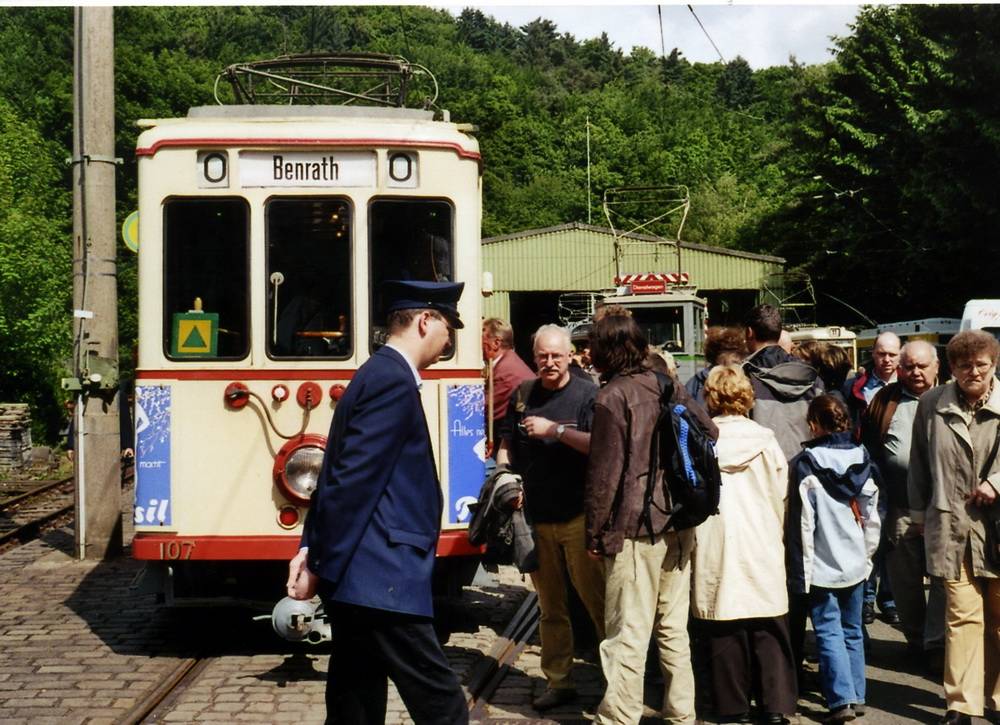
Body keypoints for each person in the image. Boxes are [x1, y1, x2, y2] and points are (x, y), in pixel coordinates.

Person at [286, 279, 468, 725]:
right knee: (442, 704)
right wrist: (317, 560)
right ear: (426, 321)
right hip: (381, 578)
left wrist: (312, 549)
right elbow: (351, 484)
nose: (450, 339)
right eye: (449, 327)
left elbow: (336, 473)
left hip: (361, 576)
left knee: (356, 701)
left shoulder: (376, 373)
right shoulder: (391, 382)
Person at [584, 313, 717, 725]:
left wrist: (594, 534)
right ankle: (681, 714)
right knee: (673, 631)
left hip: (636, 531)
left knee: (627, 634)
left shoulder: (612, 398)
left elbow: (604, 478)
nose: (588, 353)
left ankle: (619, 719)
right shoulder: (665, 384)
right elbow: (709, 431)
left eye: (594, 345)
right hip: (679, 523)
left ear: (609, 351)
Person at [497, 324, 605, 711]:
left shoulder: (588, 394)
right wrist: (504, 475)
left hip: (578, 515)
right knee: (551, 608)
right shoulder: (524, 394)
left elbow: (600, 447)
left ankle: (617, 681)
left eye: (557, 355)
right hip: (537, 517)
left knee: (598, 604)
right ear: (534, 356)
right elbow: (507, 442)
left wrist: (556, 431)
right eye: (542, 356)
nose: (549, 362)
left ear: (570, 354)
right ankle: (559, 682)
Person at [691, 365, 797, 724]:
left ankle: (731, 707)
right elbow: (781, 492)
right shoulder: (766, 440)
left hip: (716, 542)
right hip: (761, 540)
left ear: (710, 397)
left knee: (725, 626)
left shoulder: (703, 441)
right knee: (768, 627)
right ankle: (776, 705)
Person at [909, 330, 1000, 725]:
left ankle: (997, 698)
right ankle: (961, 704)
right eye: (965, 365)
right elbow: (918, 463)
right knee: (962, 616)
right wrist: (917, 514)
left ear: (994, 364)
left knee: (999, 620)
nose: (973, 372)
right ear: (951, 368)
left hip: (997, 528)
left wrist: (997, 482)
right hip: (951, 524)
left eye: (981, 364)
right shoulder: (931, 403)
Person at [787, 395, 881, 723]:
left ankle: (839, 700)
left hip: (821, 565)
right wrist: (867, 556)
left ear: (814, 424)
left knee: (828, 629)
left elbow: (803, 524)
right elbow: (872, 515)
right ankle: (857, 694)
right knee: (852, 628)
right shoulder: (863, 459)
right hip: (855, 561)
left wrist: (802, 569)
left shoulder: (805, 464)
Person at [861, 340, 944, 663]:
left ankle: (938, 647)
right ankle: (917, 641)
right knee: (904, 582)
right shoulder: (886, 400)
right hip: (900, 506)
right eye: (908, 366)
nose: (915, 372)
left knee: (942, 581)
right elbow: (869, 446)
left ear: (937, 366)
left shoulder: (949, 399)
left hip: (942, 509)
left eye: (922, 366)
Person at [742, 305, 824, 460]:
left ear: (749, 332)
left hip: (765, 468)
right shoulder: (812, 378)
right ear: (779, 333)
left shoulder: (744, 377)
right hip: (806, 468)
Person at [482, 317, 534, 448]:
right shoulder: (508, 362)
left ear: (496, 343)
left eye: (481, 340)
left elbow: (481, 410)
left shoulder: (505, 373)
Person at [844, 332, 901, 424]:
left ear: (900, 356)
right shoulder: (852, 387)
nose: (887, 360)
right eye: (882, 354)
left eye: (892, 355)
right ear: (873, 353)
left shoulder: (909, 385)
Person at [686, 326, 748, 406]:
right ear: (717, 356)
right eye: (731, 351)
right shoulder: (697, 383)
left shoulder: (744, 381)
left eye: (739, 352)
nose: (737, 358)